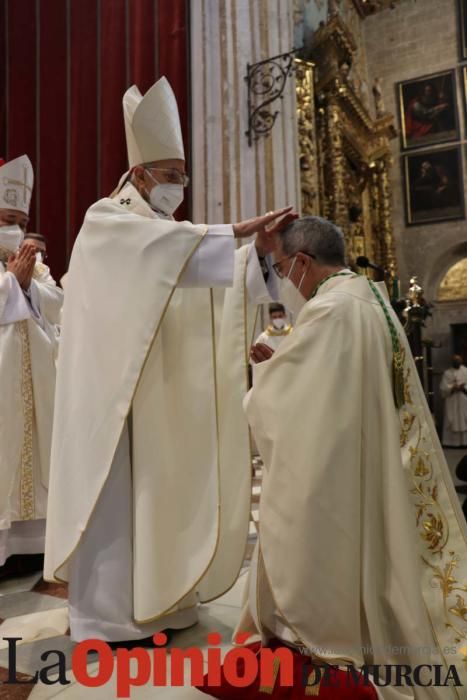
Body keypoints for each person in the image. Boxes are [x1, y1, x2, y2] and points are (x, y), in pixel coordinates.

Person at [44, 76, 294, 645]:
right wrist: (231, 231)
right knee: (120, 504)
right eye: (172, 176)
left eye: (183, 177)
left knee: (159, 496)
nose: (179, 187)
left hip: (159, 396)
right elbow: (154, 259)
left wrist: (252, 255)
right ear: (139, 174)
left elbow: (208, 278)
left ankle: (165, 600)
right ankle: (106, 616)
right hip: (117, 399)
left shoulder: (166, 230)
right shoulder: (105, 220)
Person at [206, 215, 466, 698]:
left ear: (303, 262)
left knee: (317, 543)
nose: (285, 279)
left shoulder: (330, 311)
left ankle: (316, 638)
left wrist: (265, 373)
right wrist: (285, 360)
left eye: (284, 268)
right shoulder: (368, 298)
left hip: (334, 463)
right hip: (367, 448)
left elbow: (296, 401)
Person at [0, 156, 63, 576]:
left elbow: (57, 301)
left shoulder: (34, 261)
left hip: (38, 375)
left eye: (21, 219)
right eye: (7, 218)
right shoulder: (24, 267)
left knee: (40, 452)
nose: (16, 228)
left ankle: (36, 545)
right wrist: (13, 283)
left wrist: (27, 283)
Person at [440, 355, 467, 447]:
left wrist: (463, 388)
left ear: (461, 361)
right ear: (452, 362)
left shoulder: (465, 371)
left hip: (463, 398)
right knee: (452, 419)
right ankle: (451, 443)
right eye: (455, 360)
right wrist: (452, 388)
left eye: (459, 360)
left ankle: (464, 442)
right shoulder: (447, 373)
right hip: (452, 399)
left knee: (464, 419)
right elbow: (443, 388)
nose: (457, 362)